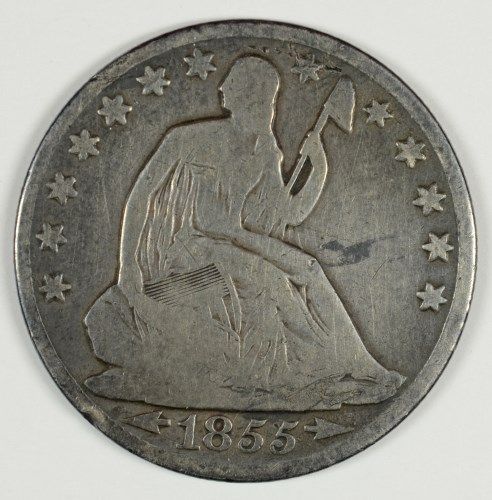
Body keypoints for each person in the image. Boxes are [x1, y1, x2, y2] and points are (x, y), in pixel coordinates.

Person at [85, 56, 404, 411]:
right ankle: (311, 372)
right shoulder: (187, 138)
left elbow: (287, 214)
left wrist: (318, 169)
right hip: (190, 250)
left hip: (233, 239)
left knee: (310, 268)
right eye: (261, 98)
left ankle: (359, 366)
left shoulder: (265, 149)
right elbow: (141, 195)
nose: (222, 90)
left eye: (267, 99)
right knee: (271, 279)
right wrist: (128, 264)